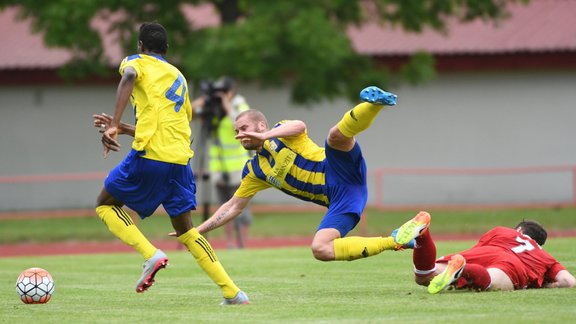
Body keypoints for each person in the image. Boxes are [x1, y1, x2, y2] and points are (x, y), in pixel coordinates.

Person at [93, 22, 248, 305]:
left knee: (105, 204)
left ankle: (151, 255)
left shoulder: (135, 62)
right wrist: (124, 128)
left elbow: (127, 75)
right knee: (187, 230)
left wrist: (114, 125)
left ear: (141, 46)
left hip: (151, 156)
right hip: (179, 162)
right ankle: (233, 292)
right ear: (166, 49)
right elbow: (172, 124)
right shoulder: (178, 76)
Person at [192, 85, 418, 262]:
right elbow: (233, 206)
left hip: (337, 167)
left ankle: (375, 104)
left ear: (261, 126)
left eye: (244, 129)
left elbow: (299, 125)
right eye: (236, 131)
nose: (239, 135)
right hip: (343, 199)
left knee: (335, 136)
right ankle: (396, 241)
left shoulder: (282, 132)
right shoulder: (255, 170)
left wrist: (266, 136)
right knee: (320, 249)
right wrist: (197, 230)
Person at [393, 212, 576, 293]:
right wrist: (543, 286)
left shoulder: (501, 231)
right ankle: (463, 269)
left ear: (519, 230)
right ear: (539, 243)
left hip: (486, 251)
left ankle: (423, 235)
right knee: (489, 280)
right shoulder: (543, 256)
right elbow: (569, 282)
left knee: (425, 276)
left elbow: (477, 250)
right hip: (514, 265)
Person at [192, 76, 253, 249]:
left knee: (241, 207)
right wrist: (205, 99)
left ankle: (244, 244)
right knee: (223, 207)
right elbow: (190, 113)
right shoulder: (213, 107)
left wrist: (226, 104)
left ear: (232, 91)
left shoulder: (239, 105)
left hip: (239, 168)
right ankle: (230, 243)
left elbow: (242, 124)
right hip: (218, 168)